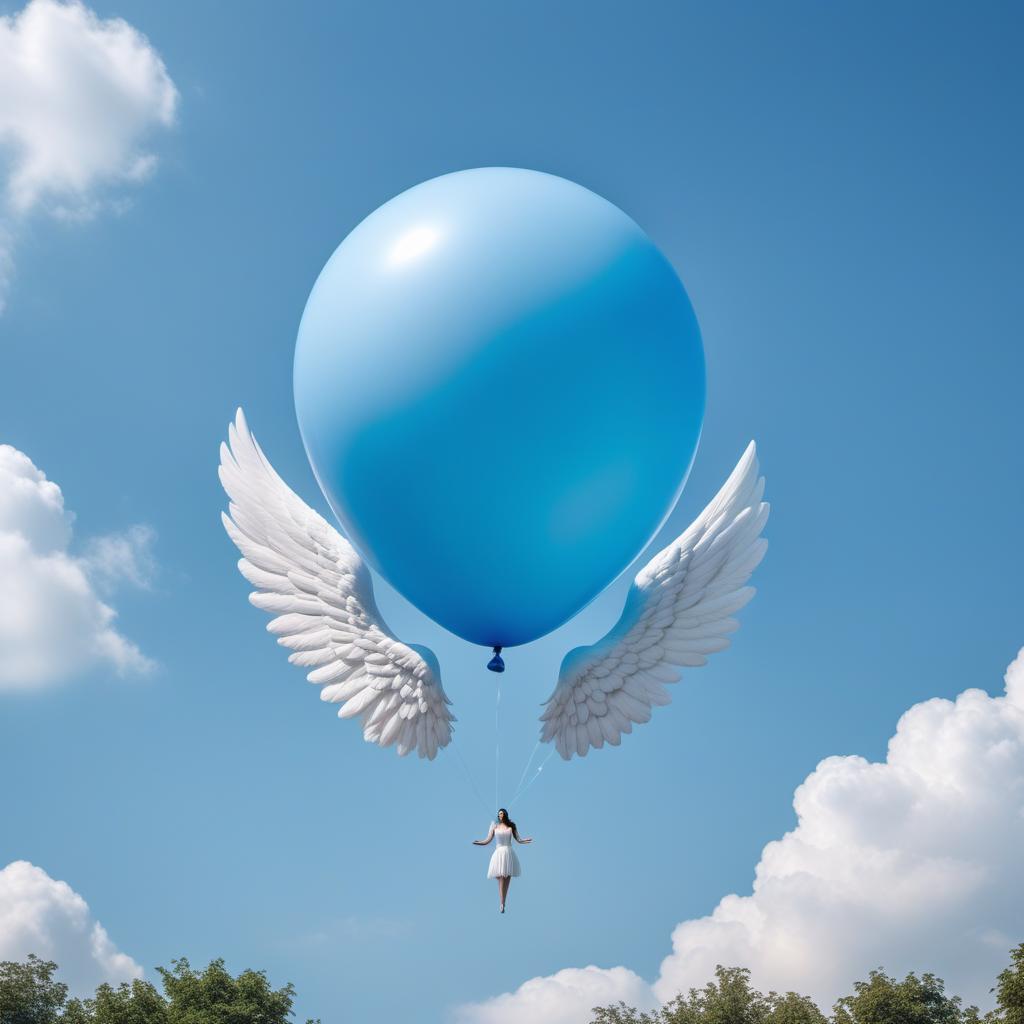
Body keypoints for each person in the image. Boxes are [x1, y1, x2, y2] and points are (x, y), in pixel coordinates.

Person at [473, 808, 533, 913]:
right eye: (499, 814)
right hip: (499, 852)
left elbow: (518, 839)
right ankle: (501, 903)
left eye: (502, 813)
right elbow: (487, 840)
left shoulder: (511, 826)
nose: (500, 815)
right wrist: (479, 842)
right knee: (500, 877)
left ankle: (503, 902)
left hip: (508, 852)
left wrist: (525, 841)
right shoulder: (494, 826)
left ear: (505, 814)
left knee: (507, 877)